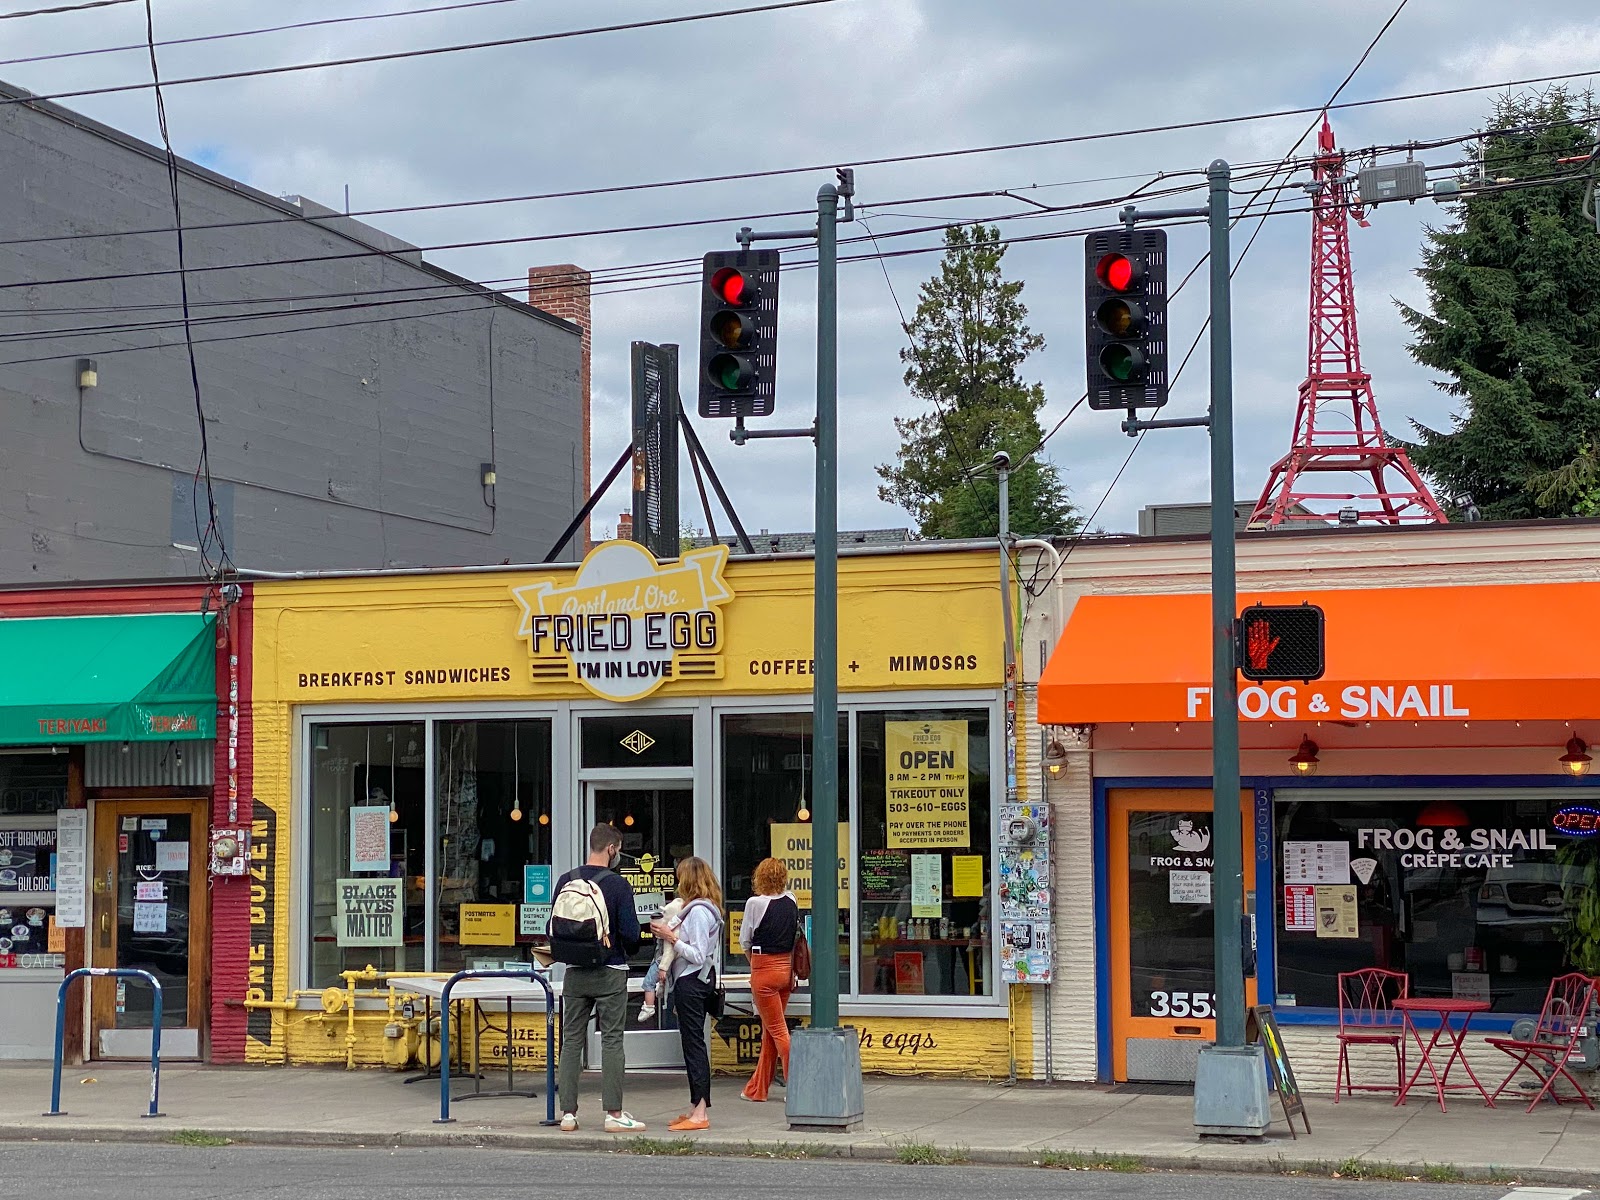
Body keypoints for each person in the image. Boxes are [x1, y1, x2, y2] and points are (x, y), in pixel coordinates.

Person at [554, 823, 645, 1133]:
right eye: (617, 850)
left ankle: (568, 1113)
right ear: (611, 849)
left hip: (574, 973)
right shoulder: (618, 886)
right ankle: (614, 1113)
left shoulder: (566, 880)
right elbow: (631, 934)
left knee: (571, 1042)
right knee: (611, 1042)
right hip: (610, 971)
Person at [650, 856, 722, 1132]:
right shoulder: (697, 910)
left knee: (695, 1046)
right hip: (692, 982)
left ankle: (700, 1112)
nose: (678, 883)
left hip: (693, 982)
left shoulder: (700, 912)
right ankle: (695, 1107)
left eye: (681, 877)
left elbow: (698, 954)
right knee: (691, 1045)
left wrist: (672, 937)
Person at [738, 856, 798, 1102]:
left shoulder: (755, 903)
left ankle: (797, 1087)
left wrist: (756, 967)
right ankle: (757, 1088)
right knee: (770, 1033)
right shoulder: (792, 899)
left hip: (764, 969)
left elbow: (745, 941)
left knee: (778, 1032)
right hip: (787, 969)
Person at [637, 894, 683, 1023]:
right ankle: (675, 1004)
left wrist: (663, 967)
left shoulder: (671, 933)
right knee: (673, 983)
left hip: (662, 961)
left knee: (648, 982)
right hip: (671, 962)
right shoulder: (676, 929)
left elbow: (669, 951)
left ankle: (649, 1006)